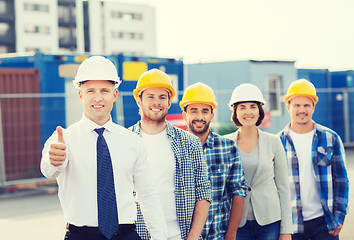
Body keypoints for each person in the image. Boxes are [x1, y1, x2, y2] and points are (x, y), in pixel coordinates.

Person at [41, 56, 167, 240]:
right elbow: (48, 170)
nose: (98, 98)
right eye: (90, 90)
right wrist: (53, 161)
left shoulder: (132, 141)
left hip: (126, 235)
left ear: (114, 95)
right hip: (81, 235)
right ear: (80, 95)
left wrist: (160, 237)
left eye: (105, 90)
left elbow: (148, 195)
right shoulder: (63, 139)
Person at [128, 69, 212, 240]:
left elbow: (203, 193)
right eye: (150, 96)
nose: (156, 102)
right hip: (138, 235)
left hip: (179, 235)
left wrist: (193, 237)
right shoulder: (125, 142)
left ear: (169, 101)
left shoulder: (190, 143)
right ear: (139, 100)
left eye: (162, 97)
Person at [279, 79, 349, 240]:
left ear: (313, 107)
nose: (302, 110)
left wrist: (339, 216)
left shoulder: (331, 138)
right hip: (292, 223)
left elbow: (341, 180)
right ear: (288, 107)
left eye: (306, 105)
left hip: (324, 222)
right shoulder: (278, 142)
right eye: (297, 105)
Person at [224, 83, 292, 240]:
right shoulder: (225, 144)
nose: (248, 112)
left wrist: (286, 230)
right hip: (235, 223)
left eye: (252, 106)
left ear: (260, 110)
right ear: (235, 111)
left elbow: (283, 188)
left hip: (269, 222)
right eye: (242, 107)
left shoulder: (274, 142)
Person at [180, 82, 247, 240]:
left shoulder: (228, 148)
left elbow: (238, 192)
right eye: (193, 111)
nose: (199, 117)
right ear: (185, 115)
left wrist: (231, 235)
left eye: (205, 111)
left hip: (217, 235)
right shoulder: (174, 148)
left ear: (212, 115)